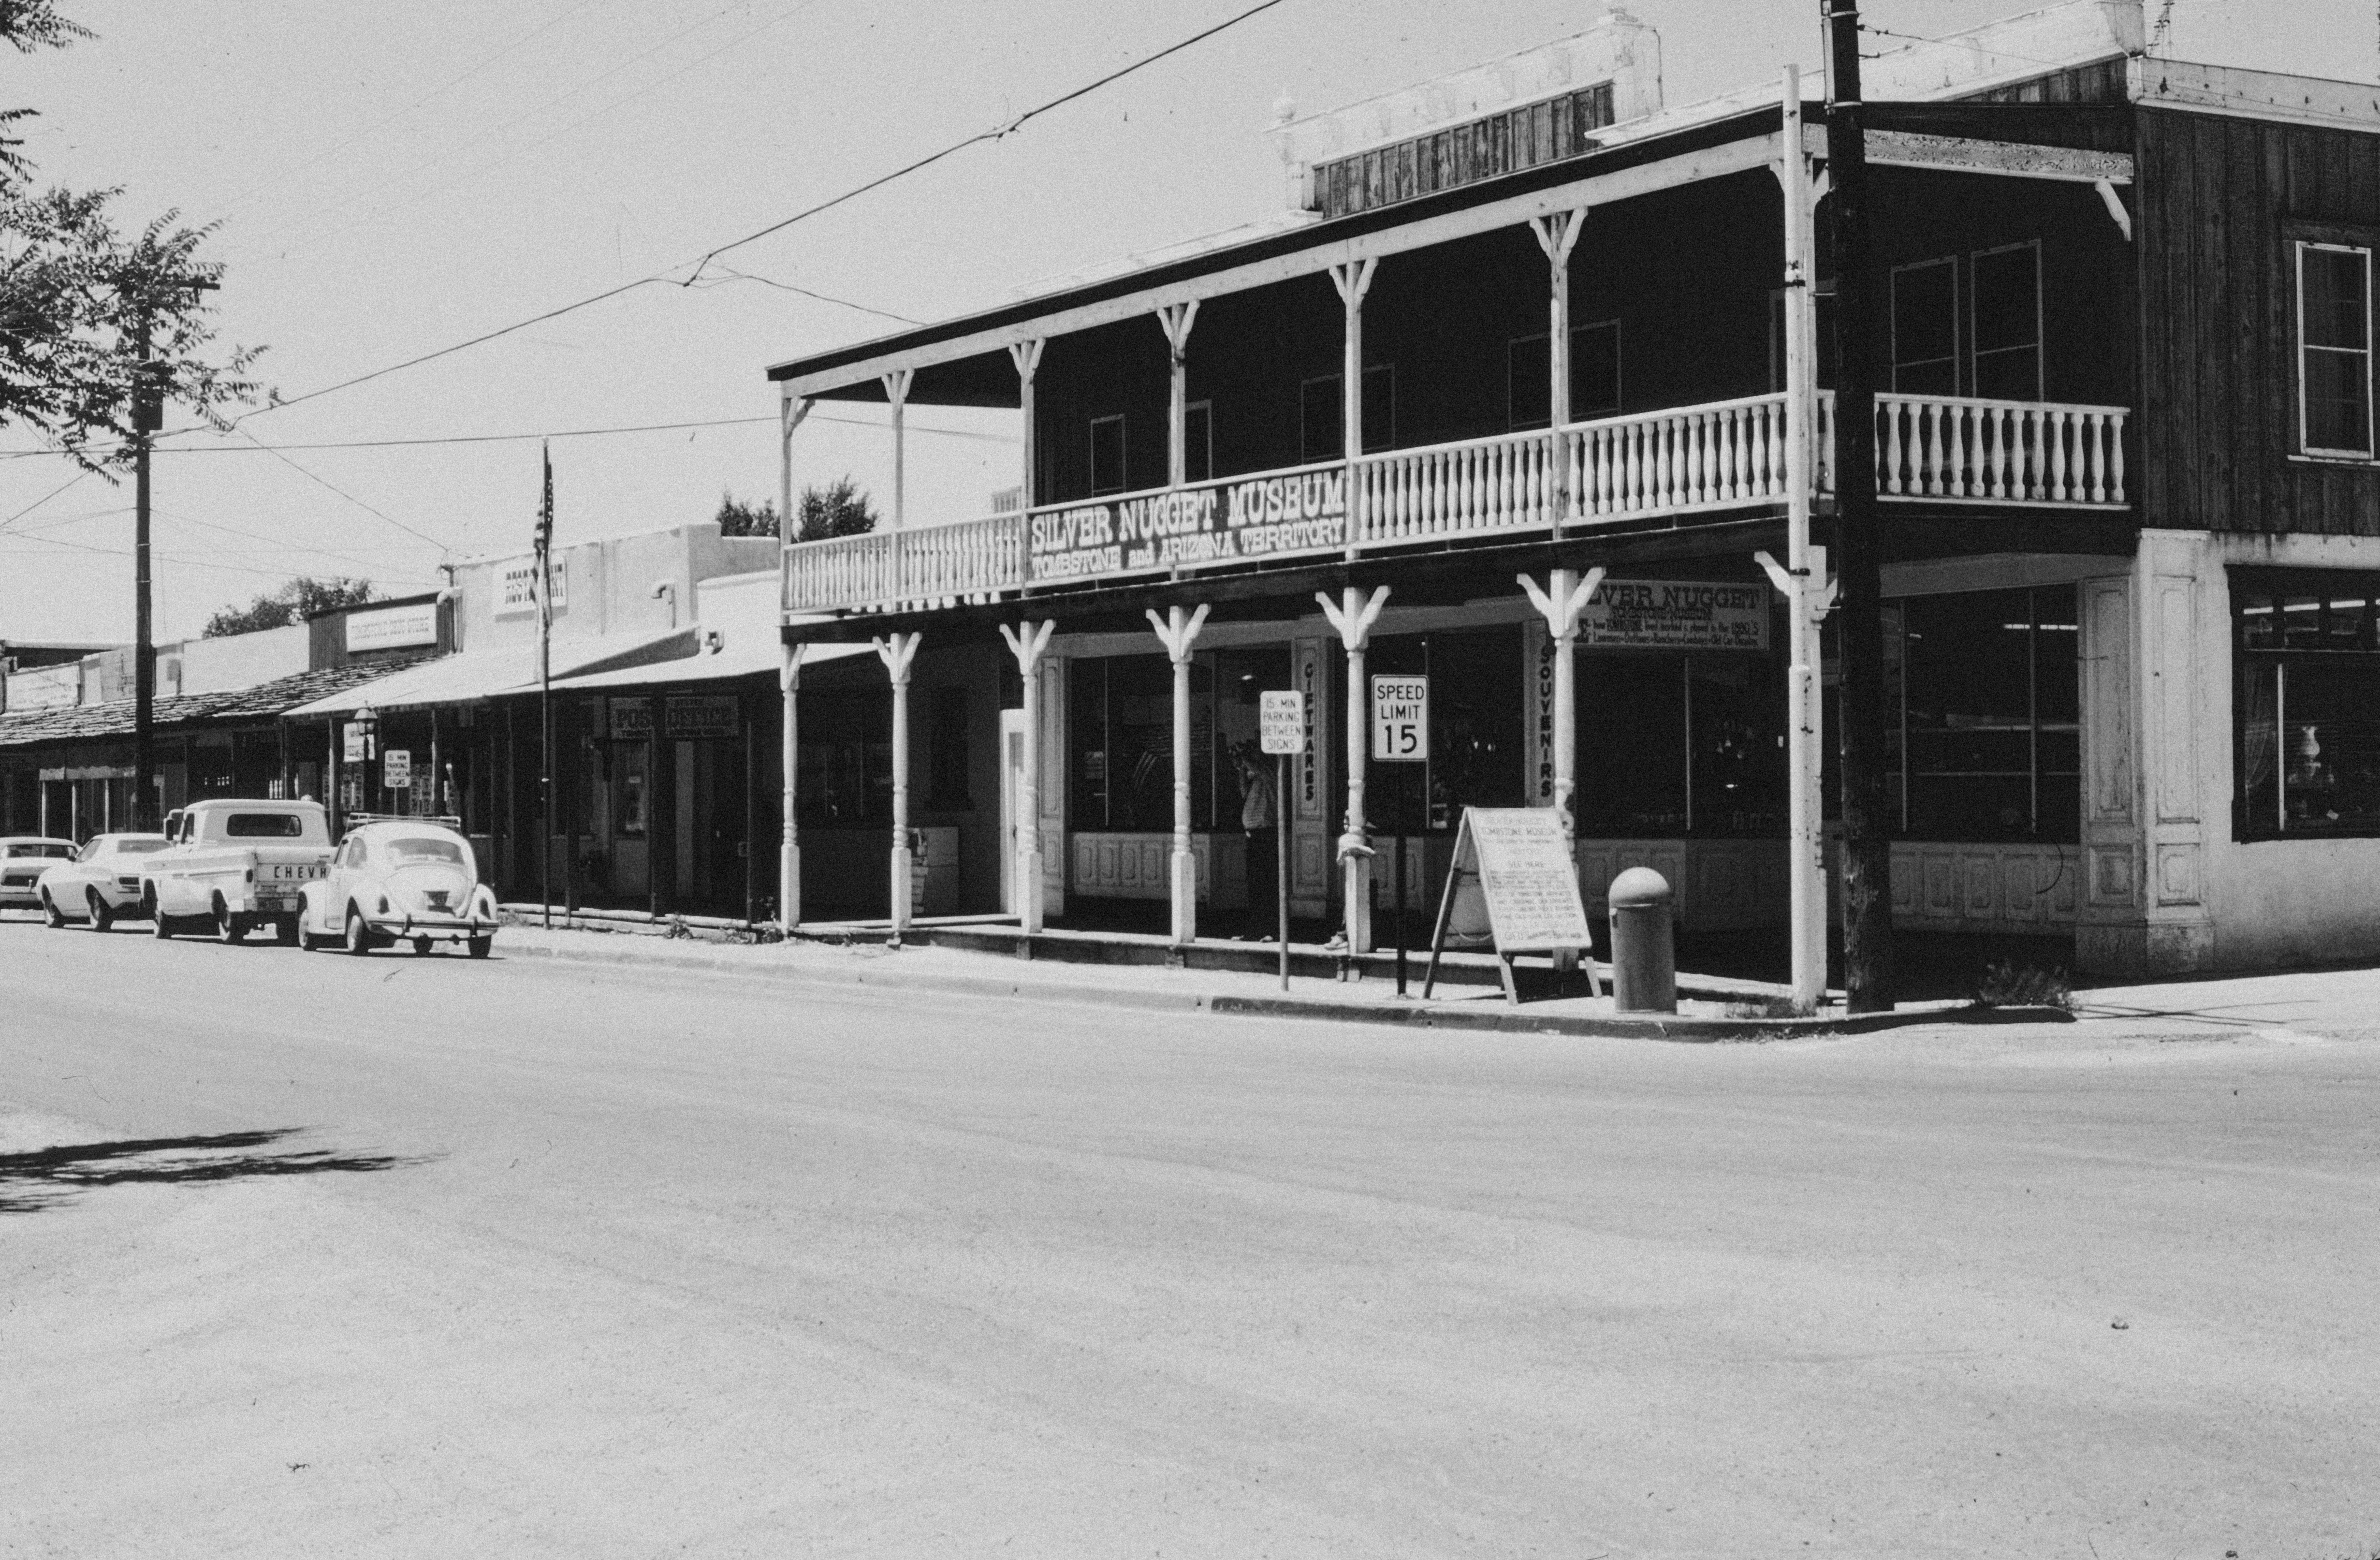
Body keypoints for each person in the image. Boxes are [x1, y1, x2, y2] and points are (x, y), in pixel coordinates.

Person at [1233, 741, 1278, 939]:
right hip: (1253, 834)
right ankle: (1255, 929)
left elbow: (1258, 767)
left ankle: (1270, 929)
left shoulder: (1269, 775)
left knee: (1267, 885)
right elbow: (1243, 793)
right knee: (1255, 886)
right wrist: (1241, 770)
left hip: (1265, 833)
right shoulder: (1256, 781)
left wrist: (1244, 756)